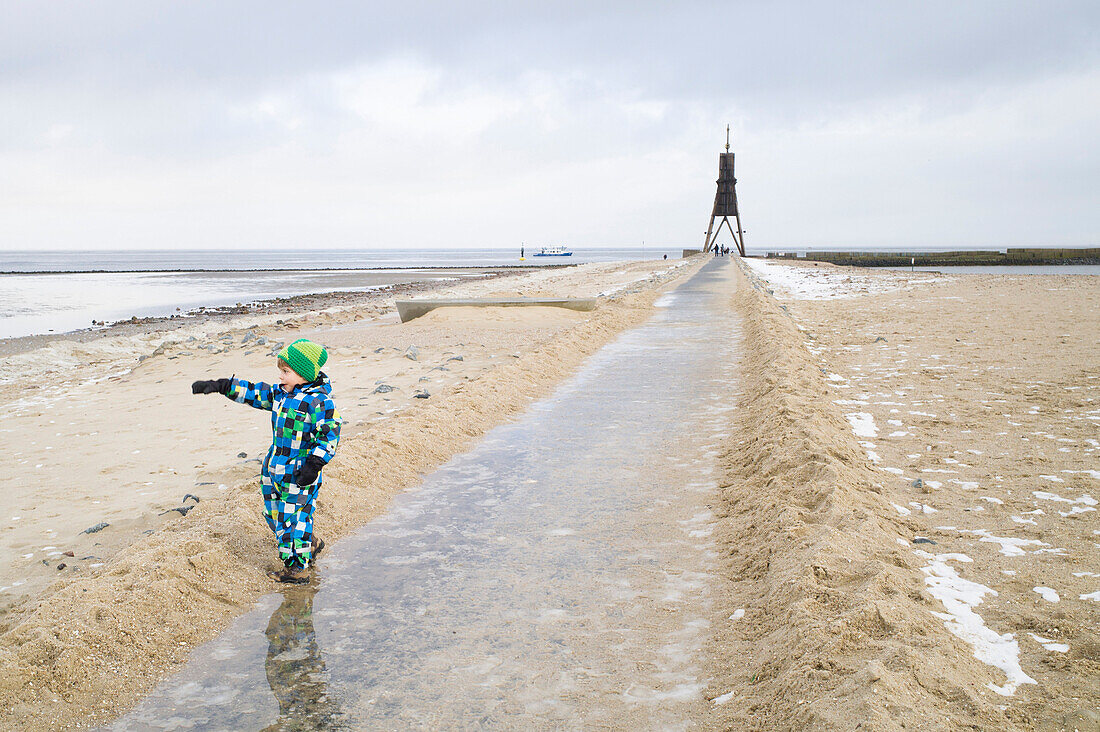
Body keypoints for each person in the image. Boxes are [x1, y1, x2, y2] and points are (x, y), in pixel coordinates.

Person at [192, 338, 341, 584]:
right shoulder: (281, 394)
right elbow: (254, 392)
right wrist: (220, 385)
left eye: (286, 372)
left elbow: (330, 435)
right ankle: (309, 544)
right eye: (280, 371)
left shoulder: (319, 402)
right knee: (274, 516)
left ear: (304, 375)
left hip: (300, 473)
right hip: (274, 470)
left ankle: (296, 569)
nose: (281, 377)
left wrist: (314, 464)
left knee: (293, 519)